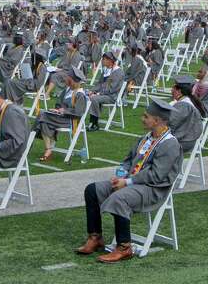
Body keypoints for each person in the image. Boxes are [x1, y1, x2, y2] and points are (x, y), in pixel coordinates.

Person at [75, 98, 182, 263]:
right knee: (92, 190)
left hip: (153, 189)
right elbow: (129, 159)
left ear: (158, 120)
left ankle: (124, 247)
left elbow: (156, 175)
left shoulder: (170, 144)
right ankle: (95, 237)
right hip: (131, 182)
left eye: (146, 116)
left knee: (120, 197)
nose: (142, 119)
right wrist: (121, 173)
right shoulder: (146, 138)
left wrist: (127, 182)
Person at [34, 67, 89, 162]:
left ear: (72, 80)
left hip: (71, 121)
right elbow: (59, 104)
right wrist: (56, 110)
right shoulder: (67, 90)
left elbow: (78, 112)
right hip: (61, 117)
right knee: (44, 119)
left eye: (67, 78)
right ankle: (48, 150)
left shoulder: (80, 94)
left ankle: (32, 139)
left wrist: (63, 111)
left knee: (43, 116)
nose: (65, 79)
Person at [87, 52, 125, 131]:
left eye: (104, 59)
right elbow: (99, 84)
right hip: (105, 94)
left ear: (110, 60)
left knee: (94, 98)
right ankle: (85, 119)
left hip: (112, 96)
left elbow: (112, 88)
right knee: (86, 94)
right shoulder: (106, 70)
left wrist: (98, 93)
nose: (102, 61)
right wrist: (92, 91)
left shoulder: (118, 72)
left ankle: (94, 122)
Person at [168, 74, 206, 153]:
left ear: (179, 91)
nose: (171, 90)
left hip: (184, 141)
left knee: (154, 146)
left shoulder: (184, 105)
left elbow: (171, 122)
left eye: (173, 88)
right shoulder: (185, 101)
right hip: (185, 137)